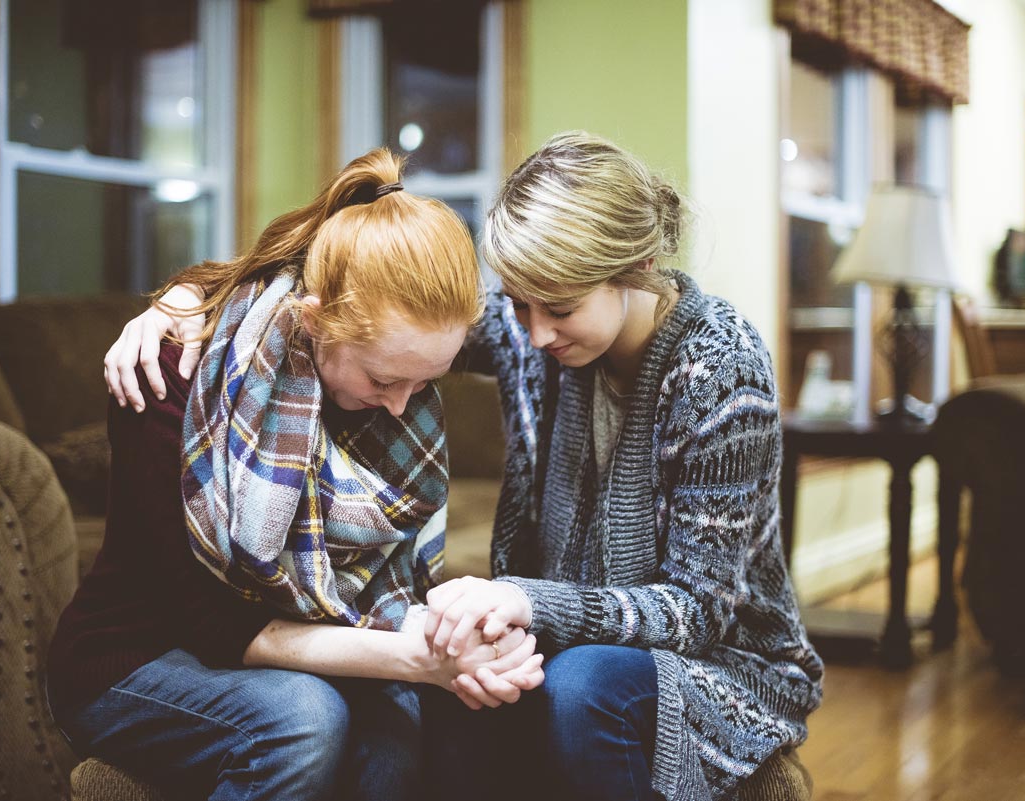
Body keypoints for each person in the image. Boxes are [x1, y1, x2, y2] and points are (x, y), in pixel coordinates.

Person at [106, 133, 823, 801]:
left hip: (716, 661)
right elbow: (374, 300)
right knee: (441, 703)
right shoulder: (532, 327)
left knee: (581, 685)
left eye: (561, 308)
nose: (533, 332)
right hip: (557, 631)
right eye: (515, 301)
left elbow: (698, 611)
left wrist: (524, 600)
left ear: (635, 269)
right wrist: (193, 300)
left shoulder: (721, 367)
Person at [48, 148, 544, 801]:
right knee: (305, 718)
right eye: (385, 379)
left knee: (399, 724)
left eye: (426, 383)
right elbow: (209, 622)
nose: (403, 406)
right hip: (134, 658)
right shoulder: (174, 372)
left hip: (279, 647)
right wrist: (420, 658)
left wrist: (463, 649)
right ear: (315, 321)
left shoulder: (389, 396)